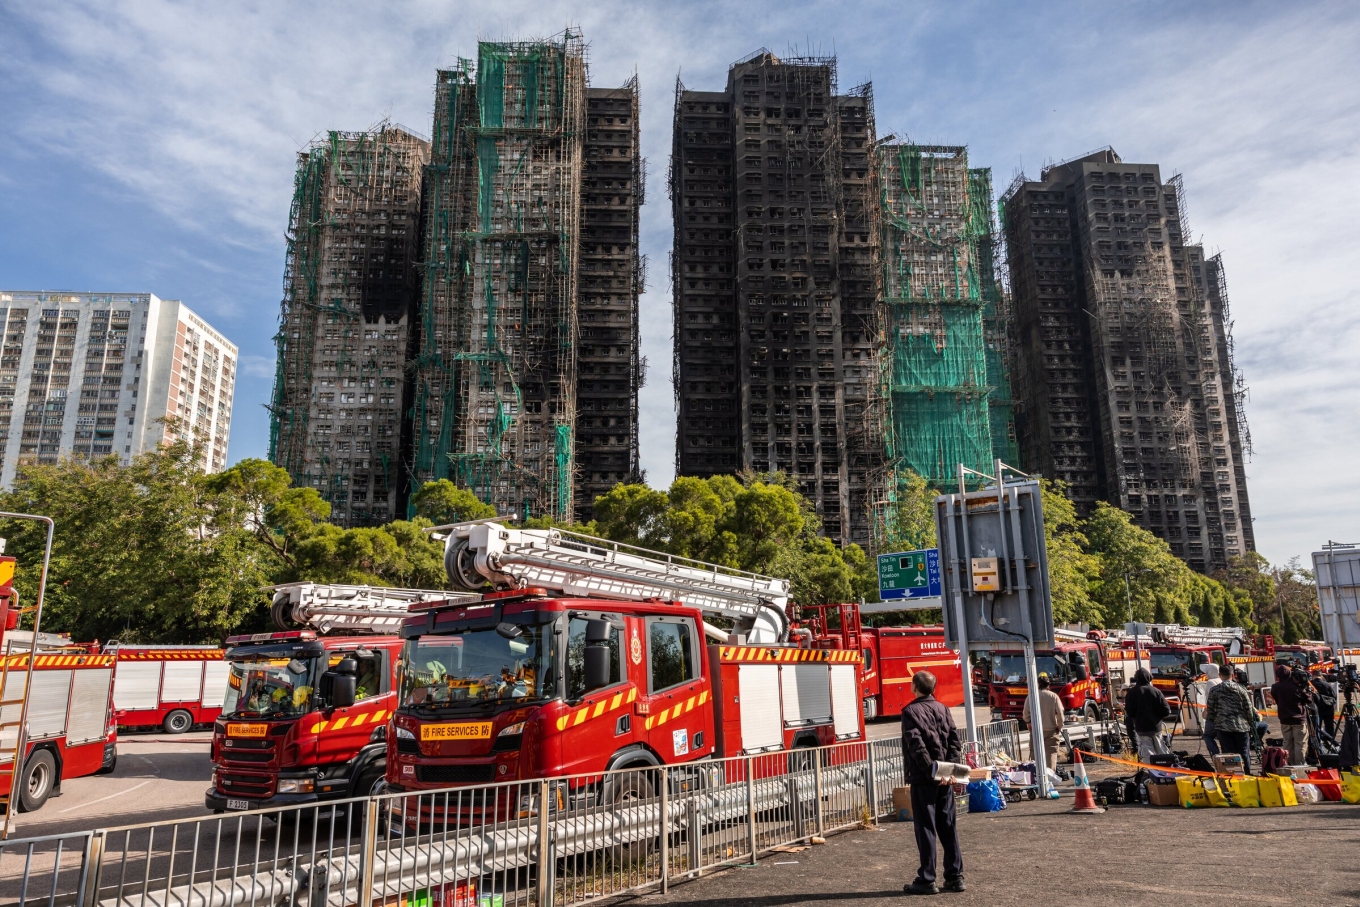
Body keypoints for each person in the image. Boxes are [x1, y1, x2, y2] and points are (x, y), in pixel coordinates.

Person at [900, 671, 964, 896]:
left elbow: (916, 745)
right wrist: (951, 769)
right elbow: (955, 741)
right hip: (946, 777)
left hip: (923, 778)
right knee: (948, 825)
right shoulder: (943, 709)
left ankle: (927, 878)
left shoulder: (910, 711)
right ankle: (955, 876)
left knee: (926, 827)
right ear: (934, 688)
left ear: (914, 687)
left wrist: (931, 771)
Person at [1204, 664, 1255, 773]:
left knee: (1228, 755)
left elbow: (1211, 710)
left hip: (1223, 727)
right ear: (1233, 675)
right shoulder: (1241, 689)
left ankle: (1231, 775)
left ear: (1220, 675)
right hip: (1241, 727)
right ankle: (1247, 775)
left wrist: (1214, 721)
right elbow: (1249, 709)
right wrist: (1251, 724)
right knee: (1244, 753)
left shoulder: (1214, 690)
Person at [1021, 673, 1065, 772]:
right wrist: (1059, 726)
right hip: (1051, 731)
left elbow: (1025, 713)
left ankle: (1037, 776)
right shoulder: (1054, 696)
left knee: (1035, 755)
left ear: (1038, 684)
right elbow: (1060, 714)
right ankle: (1050, 777)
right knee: (1051, 755)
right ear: (1048, 685)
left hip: (1036, 731)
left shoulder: (1031, 696)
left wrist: (1028, 722)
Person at [1124, 668, 1171, 761]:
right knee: (1161, 752)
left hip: (1141, 728)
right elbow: (1166, 710)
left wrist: (1137, 717)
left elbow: (1129, 712)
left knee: (1147, 755)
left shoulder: (1131, 693)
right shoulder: (1156, 691)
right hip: (1156, 727)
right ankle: (1165, 767)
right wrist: (1157, 718)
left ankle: (1151, 769)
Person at [1271, 664, 1312, 765]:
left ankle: (1289, 764)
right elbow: (1309, 700)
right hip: (1298, 719)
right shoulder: (1296, 686)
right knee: (1300, 743)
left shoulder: (1275, 687)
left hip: (1284, 719)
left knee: (1287, 743)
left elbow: (1276, 698)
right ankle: (1300, 764)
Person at [1199, 665, 1224, 757]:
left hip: (1213, 714)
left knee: (1207, 735)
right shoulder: (1221, 680)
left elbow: (1210, 699)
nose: (1206, 674)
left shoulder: (1210, 682)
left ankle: (1215, 754)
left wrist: (1205, 712)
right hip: (1224, 713)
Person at [1311, 673, 1338, 741]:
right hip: (1328, 709)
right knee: (1329, 727)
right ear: (1321, 676)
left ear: (1313, 676)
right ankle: (1331, 741)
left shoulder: (1311, 685)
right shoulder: (1327, 685)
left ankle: (1316, 742)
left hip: (1316, 710)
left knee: (1316, 728)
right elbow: (1334, 697)